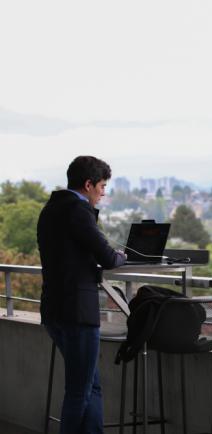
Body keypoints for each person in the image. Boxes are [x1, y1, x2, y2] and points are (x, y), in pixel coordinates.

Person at [38, 156, 127, 434]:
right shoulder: (77, 210)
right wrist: (125, 256)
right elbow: (109, 258)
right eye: (101, 186)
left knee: (90, 385)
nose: (103, 192)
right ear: (88, 185)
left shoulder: (52, 208)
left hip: (55, 309)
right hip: (77, 311)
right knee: (79, 391)